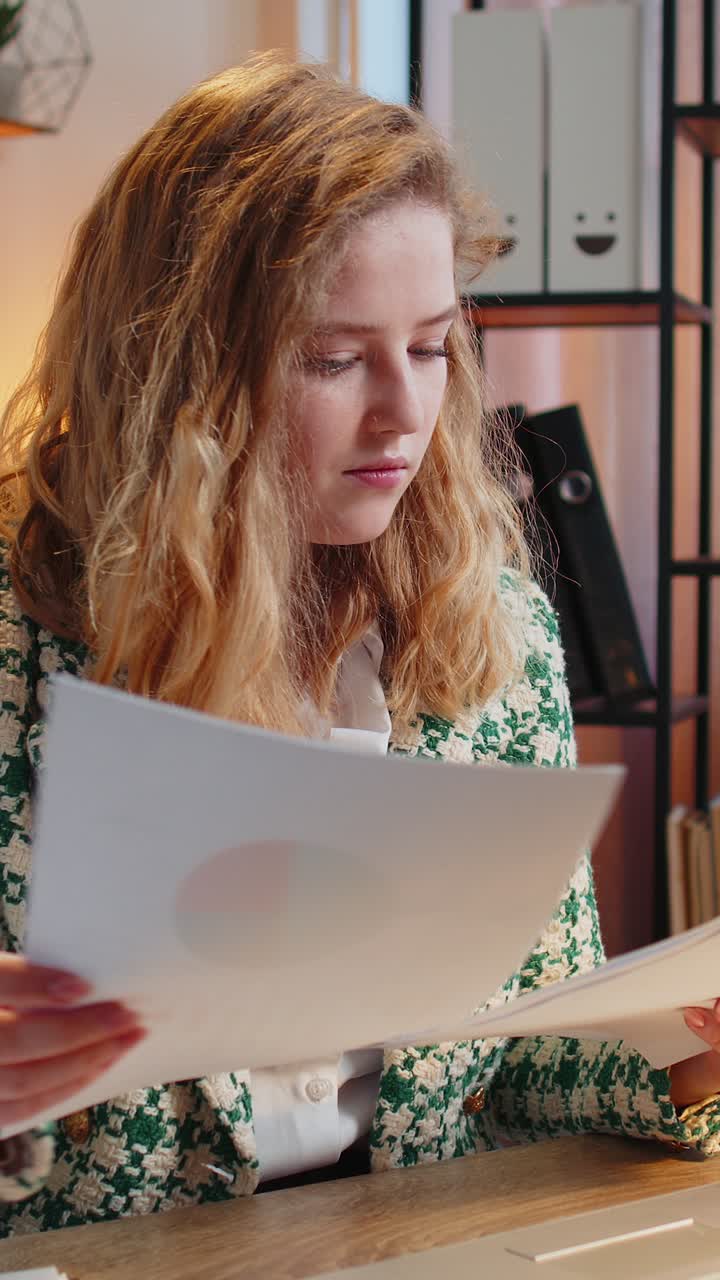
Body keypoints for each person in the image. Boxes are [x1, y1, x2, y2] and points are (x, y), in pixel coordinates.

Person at [0, 51, 717, 1238]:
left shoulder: (493, 626)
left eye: (432, 346)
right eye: (333, 358)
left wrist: (691, 1058)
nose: (406, 414)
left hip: (415, 1247)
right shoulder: (20, 626)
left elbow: (524, 1064)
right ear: (175, 370)